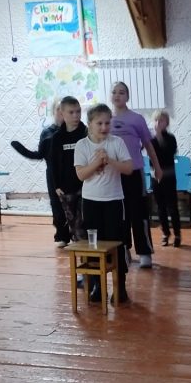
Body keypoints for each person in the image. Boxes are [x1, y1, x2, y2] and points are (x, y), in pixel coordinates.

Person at [74, 104, 133, 304]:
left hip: (114, 201)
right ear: (90, 124)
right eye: (99, 123)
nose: (104, 127)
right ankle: (97, 286)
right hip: (91, 202)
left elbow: (128, 168)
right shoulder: (82, 145)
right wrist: (96, 163)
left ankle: (120, 286)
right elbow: (81, 174)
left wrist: (110, 161)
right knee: (94, 245)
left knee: (117, 243)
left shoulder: (117, 142)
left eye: (108, 123)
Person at [109, 82, 163, 269]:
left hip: (134, 172)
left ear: (127, 96)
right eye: (114, 92)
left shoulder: (136, 119)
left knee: (139, 212)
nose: (117, 95)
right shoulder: (106, 119)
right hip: (114, 175)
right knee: (119, 214)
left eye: (121, 92)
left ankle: (145, 252)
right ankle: (123, 250)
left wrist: (156, 167)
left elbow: (148, 145)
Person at [11, 99, 70, 246]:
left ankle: (76, 234)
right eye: (58, 109)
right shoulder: (47, 133)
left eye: (64, 109)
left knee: (73, 204)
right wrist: (21, 149)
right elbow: (39, 155)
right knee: (56, 205)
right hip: (53, 176)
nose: (61, 113)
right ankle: (62, 236)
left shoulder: (72, 131)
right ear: (53, 112)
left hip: (71, 174)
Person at [50, 96, 87, 243]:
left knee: (86, 221)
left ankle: (91, 252)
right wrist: (56, 185)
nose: (76, 115)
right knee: (74, 224)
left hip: (85, 185)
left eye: (78, 111)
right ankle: (81, 252)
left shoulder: (86, 133)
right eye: (71, 112)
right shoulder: (57, 138)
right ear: (62, 113)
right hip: (66, 188)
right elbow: (53, 164)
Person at [150, 109, 182, 247]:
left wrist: (159, 137)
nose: (158, 123)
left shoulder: (171, 138)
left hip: (168, 176)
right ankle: (165, 233)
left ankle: (177, 234)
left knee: (172, 206)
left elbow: (167, 154)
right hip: (156, 177)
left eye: (161, 120)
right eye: (156, 120)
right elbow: (151, 158)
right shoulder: (151, 140)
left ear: (166, 123)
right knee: (160, 207)